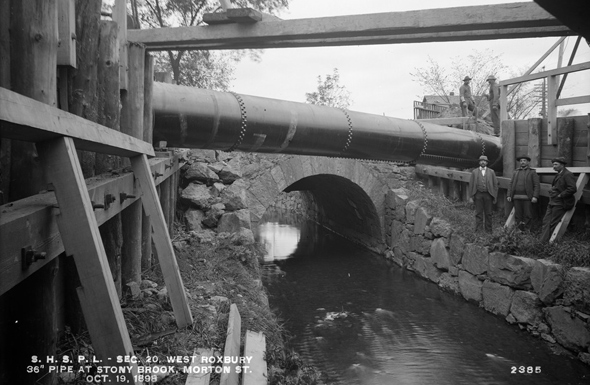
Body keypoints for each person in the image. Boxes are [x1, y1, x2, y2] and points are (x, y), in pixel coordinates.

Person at [540, 157, 577, 243]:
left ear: (562, 165)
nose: (554, 166)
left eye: (556, 164)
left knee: (553, 223)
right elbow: (558, 186)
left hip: (560, 203)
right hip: (553, 201)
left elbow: (572, 189)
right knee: (546, 221)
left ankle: (551, 243)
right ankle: (543, 242)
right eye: (553, 164)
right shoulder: (558, 174)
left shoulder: (568, 174)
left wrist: (561, 195)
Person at [507, 155, 540, 230]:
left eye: (524, 161)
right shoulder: (516, 172)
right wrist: (509, 195)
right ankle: (519, 231)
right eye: (521, 161)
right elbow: (511, 184)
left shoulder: (532, 172)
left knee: (528, 215)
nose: (522, 162)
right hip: (516, 197)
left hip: (528, 198)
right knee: (518, 215)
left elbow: (536, 185)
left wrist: (535, 196)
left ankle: (527, 231)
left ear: (528, 162)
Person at [468, 155, 498, 233]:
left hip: (488, 195)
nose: (483, 162)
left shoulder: (491, 172)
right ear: (479, 162)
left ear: (487, 163)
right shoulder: (474, 172)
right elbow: (471, 184)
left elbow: (495, 185)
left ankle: (488, 231)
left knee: (488, 213)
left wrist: (494, 196)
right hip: (478, 194)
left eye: (484, 161)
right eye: (481, 161)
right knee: (478, 213)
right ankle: (479, 231)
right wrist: (471, 196)